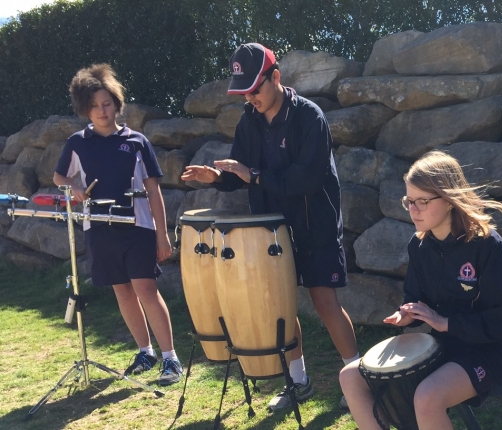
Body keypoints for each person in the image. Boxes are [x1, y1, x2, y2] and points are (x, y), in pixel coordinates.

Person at [180, 42, 358, 410]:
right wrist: (215, 177)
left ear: (275, 77)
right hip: (271, 231)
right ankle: (298, 382)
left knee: (326, 304)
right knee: (282, 308)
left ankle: (356, 380)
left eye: (255, 88)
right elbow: (241, 174)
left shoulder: (310, 116)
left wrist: (253, 174)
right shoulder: (249, 119)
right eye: (243, 91)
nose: (250, 97)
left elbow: (305, 179)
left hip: (316, 227)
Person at [339, 151, 502, 430]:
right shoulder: (419, 245)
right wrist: (408, 313)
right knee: (349, 376)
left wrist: (445, 323)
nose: (413, 210)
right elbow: (415, 297)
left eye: (422, 202)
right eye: (409, 201)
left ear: (449, 199)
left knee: (428, 396)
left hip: (490, 351)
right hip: (444, 347)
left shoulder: (488, 246)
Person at [54, 64, 183, 386]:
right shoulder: (76, 143)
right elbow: (59, 176)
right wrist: (73, 188)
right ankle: (145, 351)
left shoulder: (137, 141)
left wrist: (162, 234)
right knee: (122, 292)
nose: (102, 111)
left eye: (107, 103)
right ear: (85, 109)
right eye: (95, 106)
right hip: (98, 228)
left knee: (146, 290)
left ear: (117, 103)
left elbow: (154, 190)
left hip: (138, 228)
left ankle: (171, 359)